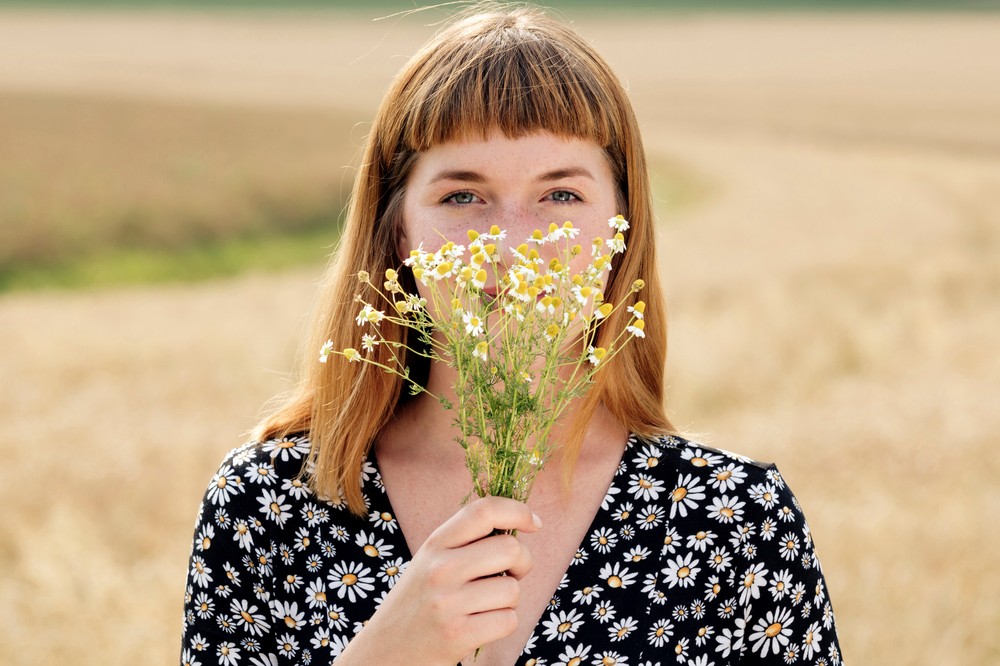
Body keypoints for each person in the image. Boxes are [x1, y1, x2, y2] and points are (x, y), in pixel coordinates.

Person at [180, 5, 844, 666]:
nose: (515, 244)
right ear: (398, 231)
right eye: (463, 198)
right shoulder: (268, 507)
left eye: (561, 197)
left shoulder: (737, 525)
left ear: (623, 230)